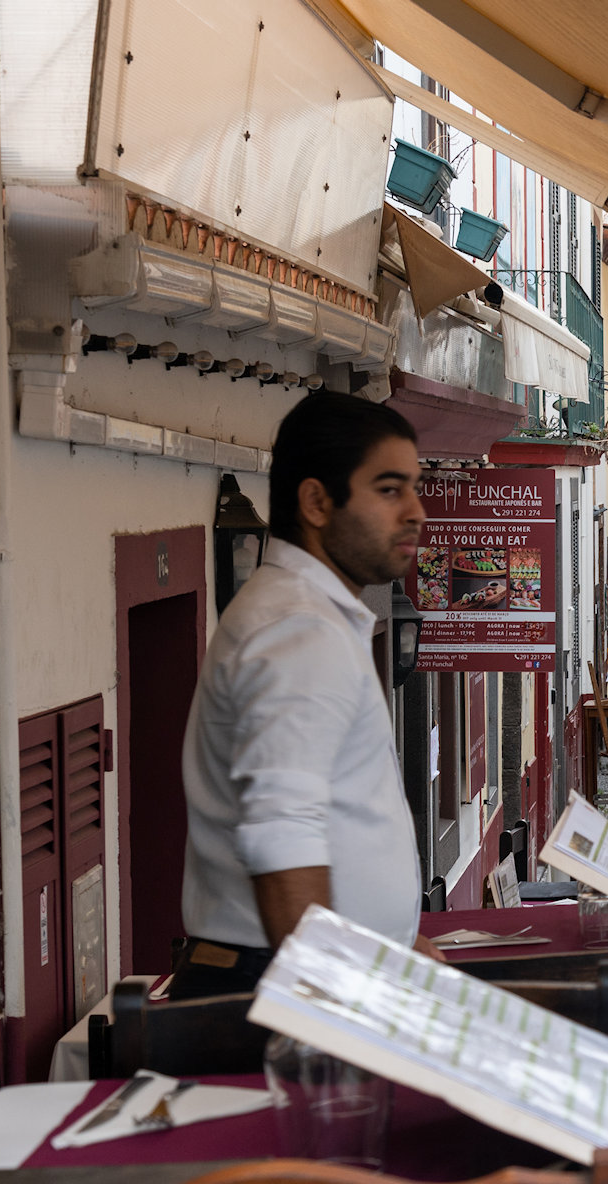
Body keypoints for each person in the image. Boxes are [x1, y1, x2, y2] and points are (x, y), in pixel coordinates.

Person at [175, 393, 434, 998]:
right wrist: (332, 1009)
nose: (417, 513)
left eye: (415, 489)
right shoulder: (301, 630)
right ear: (317, 502)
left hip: (297, 973)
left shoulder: (311, 616)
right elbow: (282, 834)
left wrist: (390, 941)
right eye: (390, 490)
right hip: (280, 988)